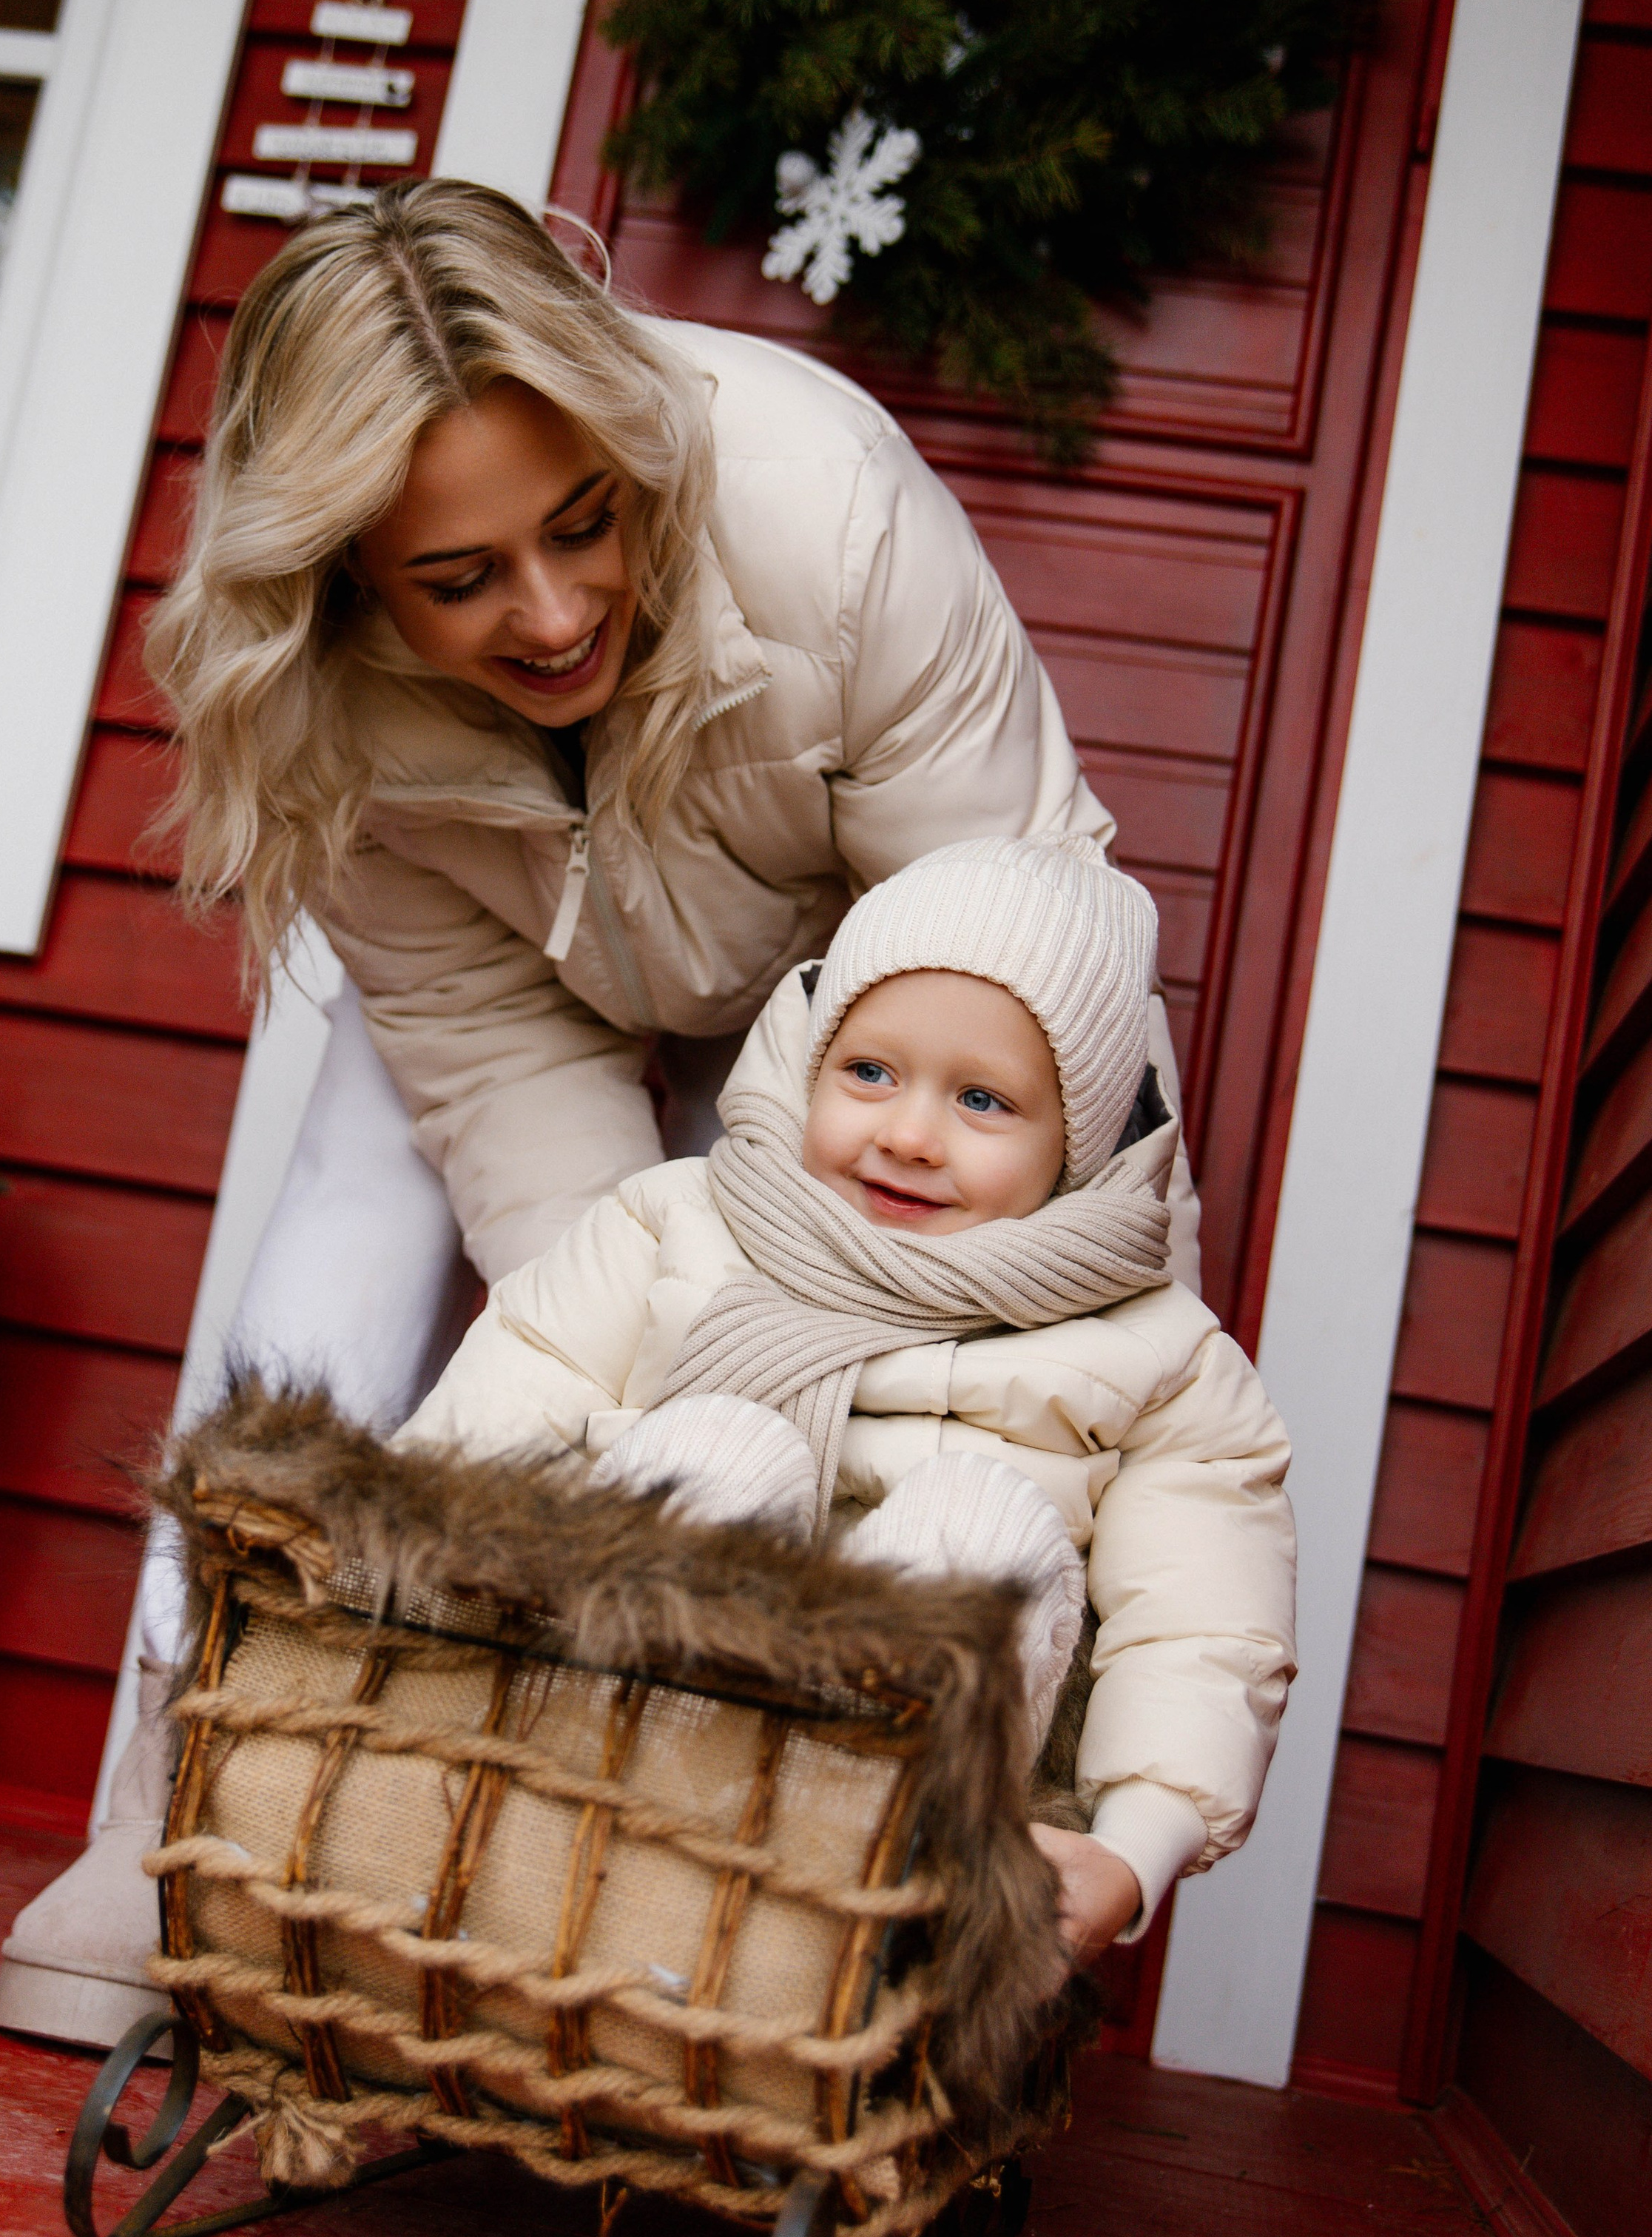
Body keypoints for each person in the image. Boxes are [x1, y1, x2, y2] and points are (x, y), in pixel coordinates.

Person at [0, 179, 1201, 2043]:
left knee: (922, 1278)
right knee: (368, 1188)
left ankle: (912, 1853)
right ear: (346, 577)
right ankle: (191, 1770)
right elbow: (494, 1069)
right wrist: (621, 1387)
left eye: (582, 526)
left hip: (857, 978)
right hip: (523, 968)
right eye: (459, 579)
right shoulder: (314, 693)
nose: (552, 615)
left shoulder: (823, 513)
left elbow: (1006, 990)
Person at [398, 835, 1295, 1963]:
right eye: (870, 1072)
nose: (907, 1135)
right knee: (715, 1447)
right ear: (812, 1058)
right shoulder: (679, 1224)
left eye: (982, 1100)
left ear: (1076, 1143)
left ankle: (806, 1947)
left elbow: (1201, 1624)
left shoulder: (1157, 1358)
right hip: (601, 1747)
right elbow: (493, 1425)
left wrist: (1137, 1845)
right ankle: (602, 1876)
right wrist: (386, 1604)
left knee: (978, 1525)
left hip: (898, 1836)